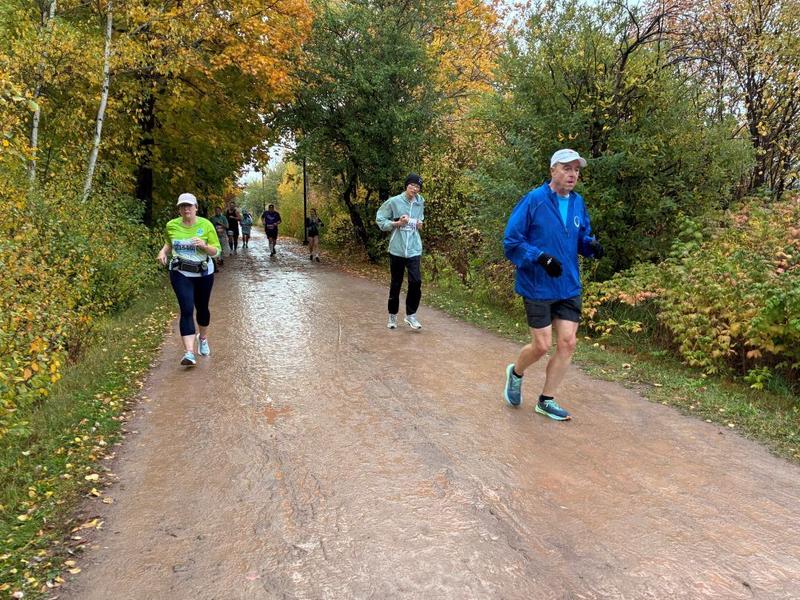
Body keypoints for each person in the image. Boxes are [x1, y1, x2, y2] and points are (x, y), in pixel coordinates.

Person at [502, 149, 604, 420]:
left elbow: (581, 236)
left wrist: (590, 246)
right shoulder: (534, 200)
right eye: (566, 168)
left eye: (576, 170)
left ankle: (546, 400)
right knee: (542, 345)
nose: (572, 174)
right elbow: (512, 240)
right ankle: (516, 372)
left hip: (568, 284)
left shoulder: (578, 202)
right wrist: (540, 257)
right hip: (538, 285)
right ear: (553, 171)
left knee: (568, 343)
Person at [157, 193, 222, 367]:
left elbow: (217, 251)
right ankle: (189, 353)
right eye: (183, 206)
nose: (186, 209)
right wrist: (163, 252)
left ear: (196, 208)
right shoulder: (171, 225)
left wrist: (204, 246)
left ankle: (203, 338)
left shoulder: (206, 225)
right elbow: (169, 243)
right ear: (179, 209)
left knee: (202, 309)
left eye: (189, 206)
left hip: (203, 273)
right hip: (180, 272)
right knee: (186, 309)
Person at [376, 173, 425, 330]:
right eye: (412, 185)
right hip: (397, 249)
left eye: (417, 187)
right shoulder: (394, 202)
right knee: (396, 283)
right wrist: (397, 223)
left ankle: (411, 316)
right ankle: (392, 315)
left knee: (416, 282)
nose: (414, 189)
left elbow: (421, 221)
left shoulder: (420, 202)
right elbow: (380, 220)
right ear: (406, 185)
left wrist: (419, 224)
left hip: (414, 249)